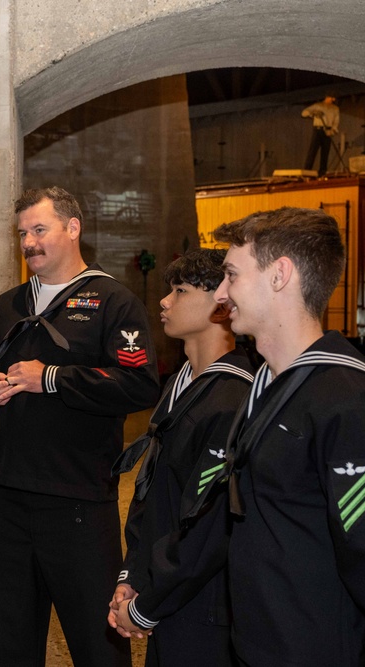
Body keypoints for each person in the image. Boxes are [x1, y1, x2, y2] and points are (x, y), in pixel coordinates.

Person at [0, 186, 160, 666]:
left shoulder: (114, 300)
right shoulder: (11, 302)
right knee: (10, 644)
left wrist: (51, 378)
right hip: (10, 496)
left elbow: (139, 384)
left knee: (97, 645)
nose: (28, 242)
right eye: (22, 233)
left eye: (39, 229)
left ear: (73, 229)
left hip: (77, 500)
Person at [204, 207, 365, 666]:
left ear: (280, 275)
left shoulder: (345, 400)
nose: (220, 294)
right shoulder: (270, 387)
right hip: (255, 646)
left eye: (232, 275)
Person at [107, 249, 254, 666]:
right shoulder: (182, 386)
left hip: (205, 607)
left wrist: (146, 603)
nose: (164, 302)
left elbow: (207, 530)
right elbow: (153, 495)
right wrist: (132, 576)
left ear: (221, 304)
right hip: (165, 591)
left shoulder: (232, 400)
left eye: (180, 291)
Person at [302, 93, 339, 176]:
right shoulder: (318, 106)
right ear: (327, 97)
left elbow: (336, 122)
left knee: (325, 152)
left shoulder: (335, 108)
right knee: (313, 150)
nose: (333, 100)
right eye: (332, 98)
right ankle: (307, 170)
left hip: (328, 131)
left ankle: (322, 171)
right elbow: (304, 113)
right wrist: (314, 113)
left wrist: (332, 131)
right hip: (318, 130)